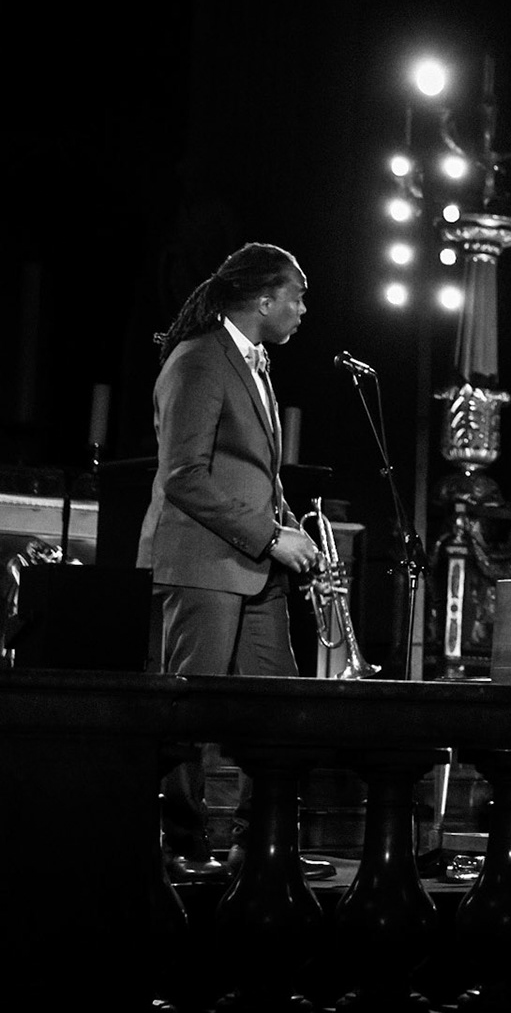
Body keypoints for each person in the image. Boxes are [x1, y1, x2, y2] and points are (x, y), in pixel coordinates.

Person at [138, 242, 333, 881]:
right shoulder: (198, 361)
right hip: (202, 564)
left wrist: (289, 527)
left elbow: (251, 470)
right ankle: (179, 848)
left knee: (281, 707)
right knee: (188, 715)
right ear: (262, 299)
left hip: (254, 567)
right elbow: (184, 477)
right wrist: (270, 536)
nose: (303, 308)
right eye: (296, 295)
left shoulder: (256, 365)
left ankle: (263, 845)